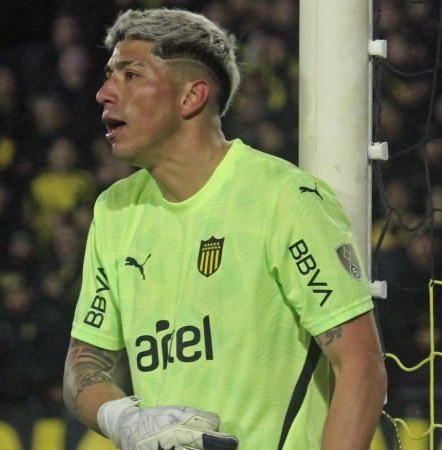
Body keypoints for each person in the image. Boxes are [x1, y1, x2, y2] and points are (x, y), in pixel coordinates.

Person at [62, 8, 386, 450]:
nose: (103, 93)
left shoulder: (284, 198)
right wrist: (124, 420)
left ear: (191, 97)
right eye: (109, 76)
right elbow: (84, 364)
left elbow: (361, 367)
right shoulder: (115, 210)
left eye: (131, 75)